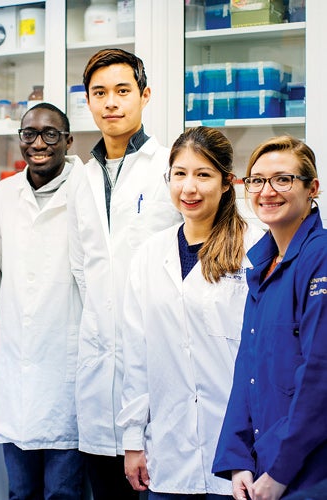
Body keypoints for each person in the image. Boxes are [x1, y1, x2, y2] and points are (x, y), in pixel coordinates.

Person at [116, 126, 264, 499]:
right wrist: (133, 439)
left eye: (203, 175)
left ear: (228, 182)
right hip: (167, 453)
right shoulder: (150, 254)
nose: (189, 188)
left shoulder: (256, 248)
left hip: (239, 457)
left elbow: (265, 358)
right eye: (179, 174)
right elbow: (137, 355)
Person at [66, 48, 182, 499]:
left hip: (158, 357)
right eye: (99, 93)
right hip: (98, 367)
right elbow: (82, 265)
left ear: (144, 95)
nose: (110, 102)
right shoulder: (84, 175)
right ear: (89, 101)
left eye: (121, 91)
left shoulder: (169, 167)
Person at [212, 135, 327, 499]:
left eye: (283, 179)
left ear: (313, 189)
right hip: (262, 470)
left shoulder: (319, 257)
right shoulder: (263, 265)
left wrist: (280, 471)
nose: (267, 191)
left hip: (308, 474)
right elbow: (247, 370)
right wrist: (238, 460)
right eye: (257, 180)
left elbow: (319, 373)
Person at [0, 102, 85, 499]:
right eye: (29, 134)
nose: (38, 143)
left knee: (63, 492)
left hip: (68, 369)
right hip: (16, 369)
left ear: (68, 140)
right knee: (21, 493)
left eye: (50, 134)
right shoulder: (3, 194)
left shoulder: (89, 189)